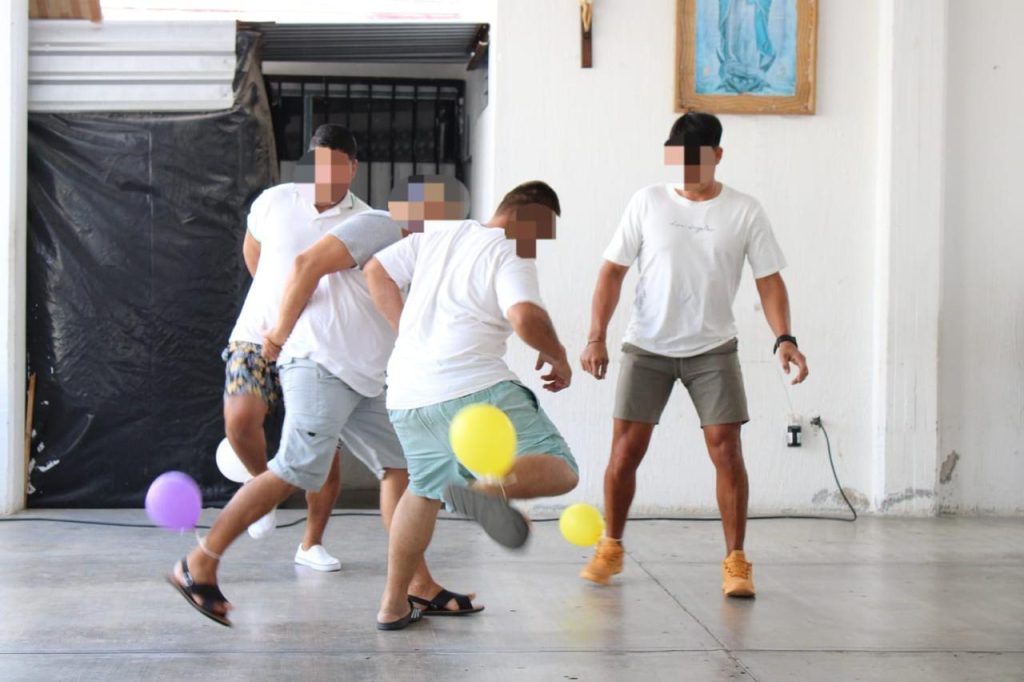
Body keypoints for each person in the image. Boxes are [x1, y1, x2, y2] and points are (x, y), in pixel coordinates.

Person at [578, 112, 808, 598]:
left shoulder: (744, 210)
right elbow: (611, 272)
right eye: (678, 160)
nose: (686, 171)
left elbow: (769, 280)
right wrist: (596, 336)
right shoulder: (647, 202)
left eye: (696, 161)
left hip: (713, 349)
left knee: (727, 450)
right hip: (647, 345)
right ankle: (611, 545)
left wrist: (784, 337)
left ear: (718, 156)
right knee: (625, 451)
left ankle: (736, 561)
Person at [366, 180, 579, 631]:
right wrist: (558, 354)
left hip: (407, 392)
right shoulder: (510, 249)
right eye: (541, 229)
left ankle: (393, 604)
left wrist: (407, 333)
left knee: (423, 489)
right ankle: (484, 492)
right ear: (524, 214)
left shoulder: (440, 234)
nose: (538, 242)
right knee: (562, 469)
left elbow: (376, 270)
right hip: (473, 387)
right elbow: (524, 316)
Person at [220, 124, 368, 569]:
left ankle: (311, 543)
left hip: (319, 347)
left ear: (353, 168)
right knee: (240, 420)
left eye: (334, 167)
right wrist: (277, 300)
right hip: (256, 333)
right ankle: (260, 487)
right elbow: (253, 252)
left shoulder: (362, 219)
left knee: (322, 453)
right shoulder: (274, 201)